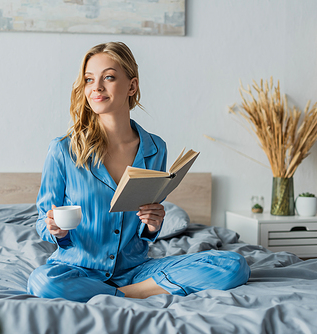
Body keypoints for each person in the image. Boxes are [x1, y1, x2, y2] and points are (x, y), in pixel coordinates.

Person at [27, 42, 250, 303]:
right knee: (42, 282)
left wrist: (153, 224)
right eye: (89, 79)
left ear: (132, 86)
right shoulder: (63, 150)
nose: (96, 87)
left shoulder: (155, 149)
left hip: (135, 271)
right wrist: (54, 228)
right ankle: (135, 293)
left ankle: (125, 293)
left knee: (234, 265)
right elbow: (43, 219)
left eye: (108, 77)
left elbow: (146, 225)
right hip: (76, 269)